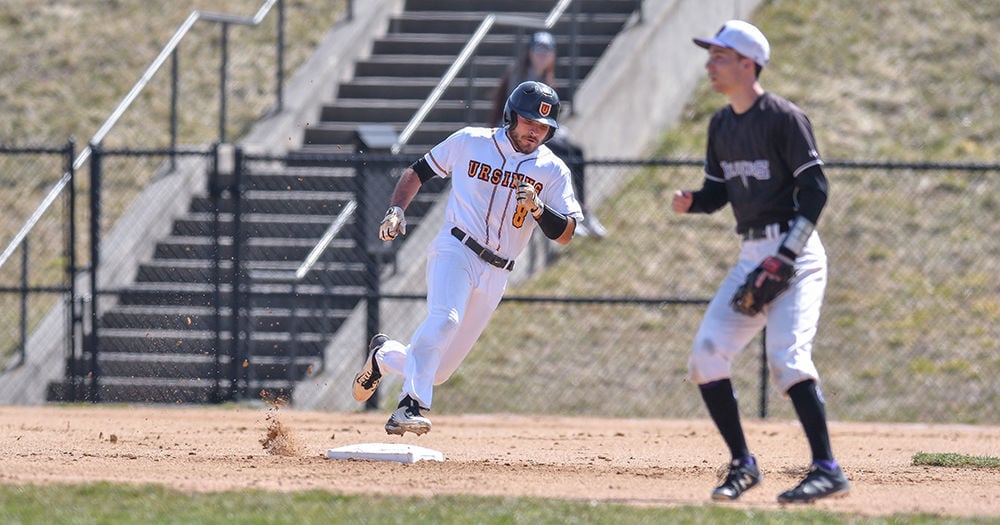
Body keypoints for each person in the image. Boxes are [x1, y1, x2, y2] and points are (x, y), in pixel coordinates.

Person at [672, 20, 850, 503]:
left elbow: (815, 191)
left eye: (720, 57)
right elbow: (718, 192)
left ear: (748, 64)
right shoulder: (721, 124)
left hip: (797, 254)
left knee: (787, 359)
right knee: (706, 356)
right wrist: (695, 200)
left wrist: (786, 255)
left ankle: (827, 468)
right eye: (710, 56)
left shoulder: (782, 117)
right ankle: (743, 464)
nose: (710, 65)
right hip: (752, 253)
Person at [352, 80, 583, 436]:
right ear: (511, 116)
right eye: (529, 122)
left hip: (499, 270)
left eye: (543, 127)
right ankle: (409, 405)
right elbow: (419, 171)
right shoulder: (472, 141)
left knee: (439, 371)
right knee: (445, 318)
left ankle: (383, 355)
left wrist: (539, 209)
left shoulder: (552, 169)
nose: (534, 131)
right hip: (457, 247)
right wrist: (396, 209)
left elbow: (566, 233)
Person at [490, 31, 606, 238]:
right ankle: (567, 214)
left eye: (547, 52)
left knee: (576, 152)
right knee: (565, 159)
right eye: (538, 51)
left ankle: (584, 211)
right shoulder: (520, 75)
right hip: (520, 134)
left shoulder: (546, 79)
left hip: (537, 132)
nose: (543, 56)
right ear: (530, 53)